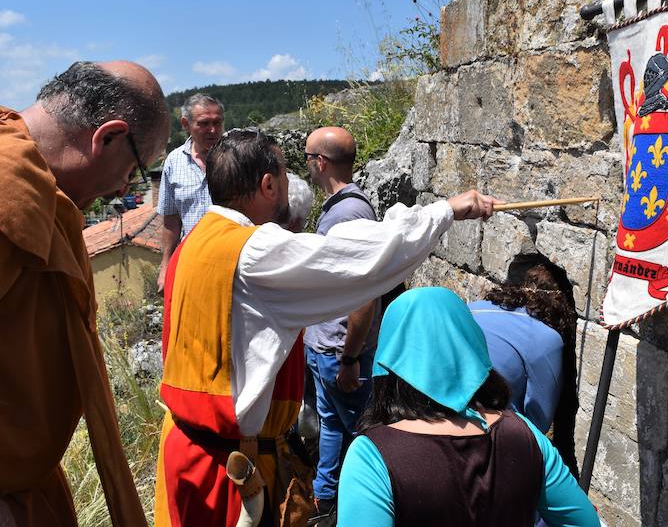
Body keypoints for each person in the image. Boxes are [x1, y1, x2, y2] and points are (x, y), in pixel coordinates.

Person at [154, 129, 497, 527]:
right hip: (231, 470)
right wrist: (446, 210)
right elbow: (360, 260)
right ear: (268, 184)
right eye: (284, 174)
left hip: (185, 450)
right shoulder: (252, 252)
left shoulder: (194, 243)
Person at [0, 61, 169, 527]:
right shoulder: (7, 188)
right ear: (108, 137)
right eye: (135, 171)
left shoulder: (36, 188)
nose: (123, 188)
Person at [337, 287, 602, 527]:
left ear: (389, 361)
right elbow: (585, 521)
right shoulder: (525, 434)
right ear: (473, 346)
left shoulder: (372, 456)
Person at [301, 127, 382, 521]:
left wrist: (350, 359)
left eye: (307, 159)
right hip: (326, 348)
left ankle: (362, 511)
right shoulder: (339, 208)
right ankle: (326, 501)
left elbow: (364, 295)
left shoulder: (350, 213)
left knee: (367, 438)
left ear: (321, 162)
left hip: (339, 352)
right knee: (332, 424)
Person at [468, 261, 580, 476]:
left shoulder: (473, 308)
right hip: (490, 435)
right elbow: (538, 417)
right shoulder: (546, 338)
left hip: (438, 410)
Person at [156, 93, 225, 292]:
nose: (212, 130)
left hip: (233, 260)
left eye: (217, 123)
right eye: (204, 123)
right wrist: (166, 265)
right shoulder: (173, 162)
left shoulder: (236, 157)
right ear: (186, 124)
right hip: (192, 262)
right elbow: (171, 220)